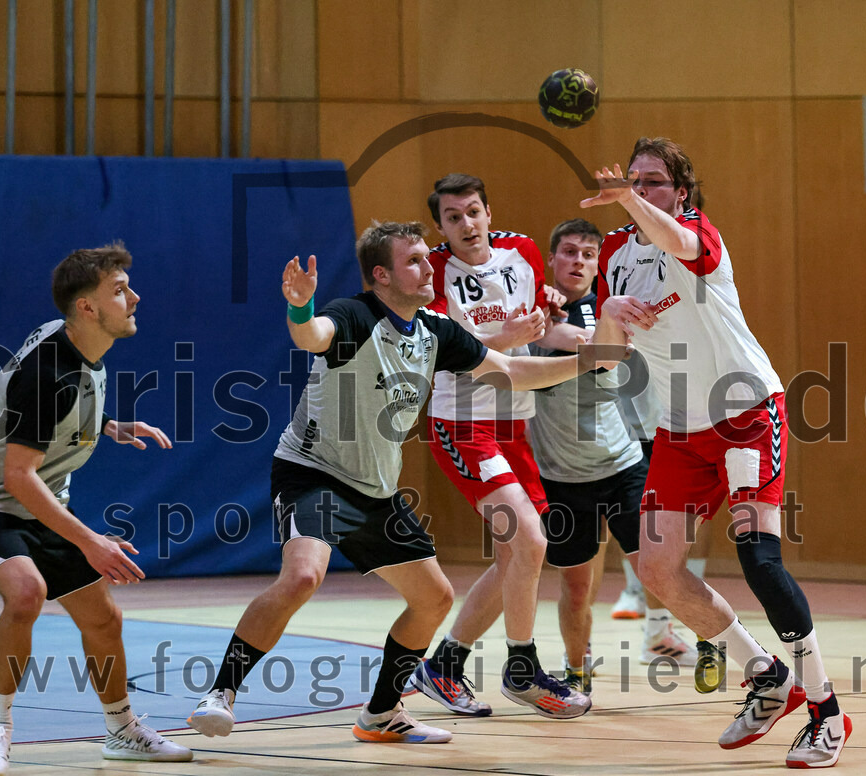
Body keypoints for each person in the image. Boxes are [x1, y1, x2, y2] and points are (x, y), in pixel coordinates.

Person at [187, 221, 605, 743]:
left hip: (376, 487)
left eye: (426, 260)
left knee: (433, 598)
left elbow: (508, 372)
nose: (429, 267)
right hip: (314, 473)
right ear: (382, 274)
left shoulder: (435, 329)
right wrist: (299, 306)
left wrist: (588, 360)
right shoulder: (355, 315)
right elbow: (311, 334)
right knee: (302, 576)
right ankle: (220, 691)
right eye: (414, 261)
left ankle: (381, 714)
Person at [583, 137, 851, 768]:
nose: (642, 189)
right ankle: (765, 675)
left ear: (681, 191)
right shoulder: (616, 253)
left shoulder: (698, 233)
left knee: (758, 559)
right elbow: (602, 360)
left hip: (746, 414)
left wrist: (629, 199)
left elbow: (675, 241)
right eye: (636, 180)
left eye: (654, 181)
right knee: (656, 569)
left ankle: (826, 709)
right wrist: (609, 312)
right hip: (679, 430)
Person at [0, 242, 193, 776]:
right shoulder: (48, 373)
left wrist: (110, 426)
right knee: (27, 592)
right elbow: (17, 475)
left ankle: (122, 730)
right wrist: (91, 541)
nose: (135, 298)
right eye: (120, 290)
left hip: (43, 500)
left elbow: (49, 413)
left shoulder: (76, 343)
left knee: (104, 617)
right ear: (87, 306)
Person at [409, 175, 591, 720]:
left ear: (489, 212)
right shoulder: (433, 269)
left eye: (473, 212)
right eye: (453, 218)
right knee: (532, 542)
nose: (466, 225)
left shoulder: (522, 251)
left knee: (518, 552)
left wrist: (591, 343)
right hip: (462, 423)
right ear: (440, 226)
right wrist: (508, 338)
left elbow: (542, 330)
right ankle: (522, 669)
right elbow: (446, 348)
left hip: (515, 422)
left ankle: (443, 664)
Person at [528, 219, 700, 694]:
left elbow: (601, 349)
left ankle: (698, 638)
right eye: (568, 252)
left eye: (588, 254)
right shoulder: (531, 309)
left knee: (662, 566)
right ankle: (577, 670)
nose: (578, 261)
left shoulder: (610, 309)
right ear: (551, 259)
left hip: (621, 463)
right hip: (559, 475)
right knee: (577, 586)